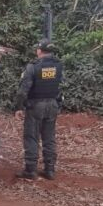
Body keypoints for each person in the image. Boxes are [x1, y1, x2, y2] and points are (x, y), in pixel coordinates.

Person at [14, 39, 63, 181]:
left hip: (36, 106)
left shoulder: (33, 66)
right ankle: (50, 170)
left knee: (31, 136)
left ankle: (30, 170)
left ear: (39, 50)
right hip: (53, 105)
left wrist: (19, 107)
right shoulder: (58, 65)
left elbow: (23, 91)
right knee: (49, 138)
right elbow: (60, 86)